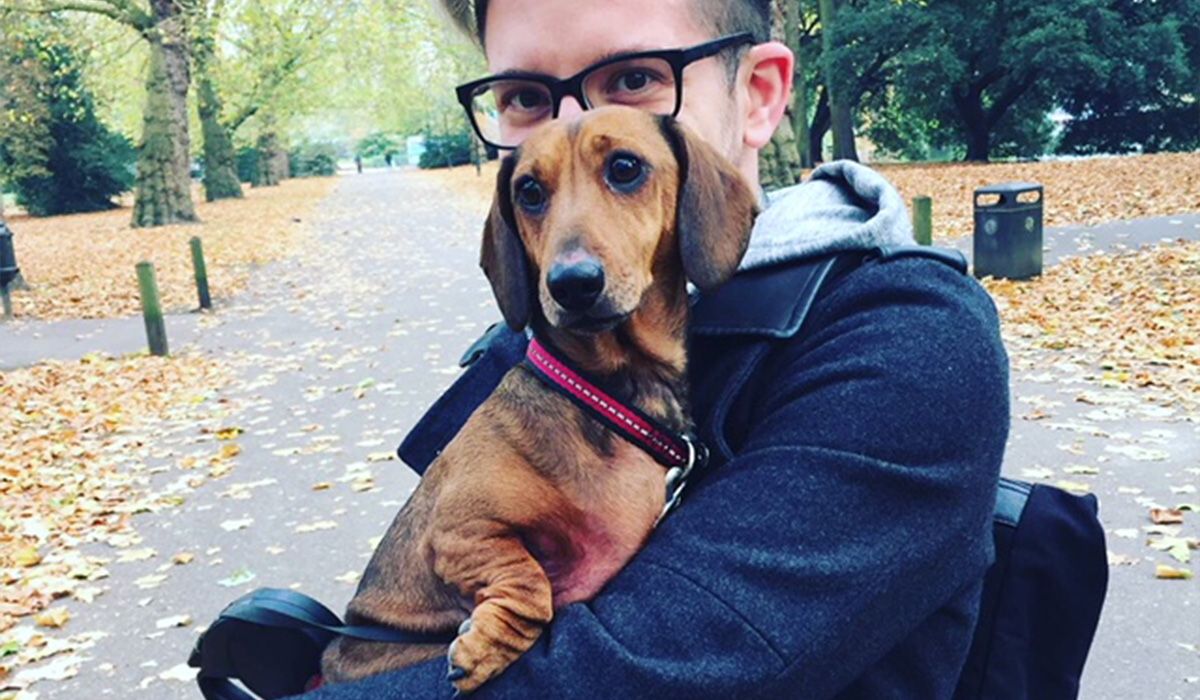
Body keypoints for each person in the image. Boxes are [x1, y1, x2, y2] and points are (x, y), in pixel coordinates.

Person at [299, 1, 1009, 698]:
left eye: (634, 78)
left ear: (759, 95)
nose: (571, 131)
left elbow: (649, 670)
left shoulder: (906, 337)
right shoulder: (550, 345)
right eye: (524, 96)